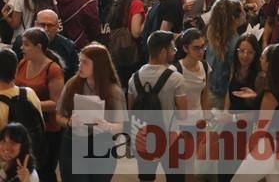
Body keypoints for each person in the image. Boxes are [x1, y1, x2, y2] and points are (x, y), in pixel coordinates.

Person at [231, 43, 279, 182]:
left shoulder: (270, 93)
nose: (260, 60)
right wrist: (256, 97)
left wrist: (249, 147)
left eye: (263, 57)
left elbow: (262, 124)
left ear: (270, 63)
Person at [57, 44, 126, 182]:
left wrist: (107, 126)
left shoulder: (113, 91)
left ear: (99, 66)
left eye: (85, 62)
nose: (80, 66)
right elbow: (59, 115)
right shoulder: (72, 84)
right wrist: (69, 122)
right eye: (80, 61)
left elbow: (120, 125)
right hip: (74, 142)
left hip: (102, 144)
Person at [128, 31, 186, 182]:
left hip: (143, 138)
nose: (175, 52)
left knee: (146, 178)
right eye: (172, 49)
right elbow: (183, 114)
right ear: (162, 52)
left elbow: (130, 110)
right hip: (171, 139)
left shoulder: (133, 79)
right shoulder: (176, 79)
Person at [16, 28, 64, 182]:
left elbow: (57, 104)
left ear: (39, 47)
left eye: (26, 44)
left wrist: (29, 102)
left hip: (48, 129)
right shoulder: (23, 63)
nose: (22, 48)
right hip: (28, 126)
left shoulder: (53, 69)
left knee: (45, 171)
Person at [13, 10, 78, 81]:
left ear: (58, 26)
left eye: (50, 25)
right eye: (42, 25)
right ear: (35, 24)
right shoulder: (21, 42)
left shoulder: (68, 47)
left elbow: (73, 77)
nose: (45, 29)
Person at [206, 0, 245, 108]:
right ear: (234, 18)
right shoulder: (235, 42)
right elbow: (233, 74)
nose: (244, 14)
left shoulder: (214, 34)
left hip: (210, 89)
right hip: (223, 95)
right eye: (242, 11)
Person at [172, 28, 209, 112]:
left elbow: (204, 96)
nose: (201, 51)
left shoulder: (205, 66)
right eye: (196, 48)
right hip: (179, 121)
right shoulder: (175, 69)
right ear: (185, 48)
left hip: (199, 119)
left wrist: (207, 116)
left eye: (203, 46)